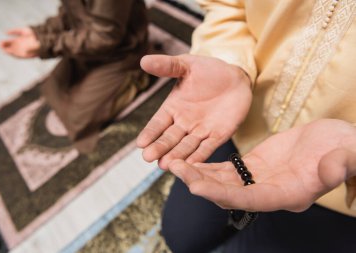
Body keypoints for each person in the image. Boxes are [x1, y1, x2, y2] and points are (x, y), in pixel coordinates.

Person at [136, 0, 356, 252]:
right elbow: (228, 6)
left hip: (340, 190)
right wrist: (231, 62)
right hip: (239, 125)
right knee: (181, 236)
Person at [0, 0, 149, 153]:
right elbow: (68, 13)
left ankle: (137, 75)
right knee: (51, 89)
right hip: (90, 46)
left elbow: (104, 38)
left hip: (121, 54)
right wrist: (39, 33)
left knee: (78, 120)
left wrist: (44, 45)